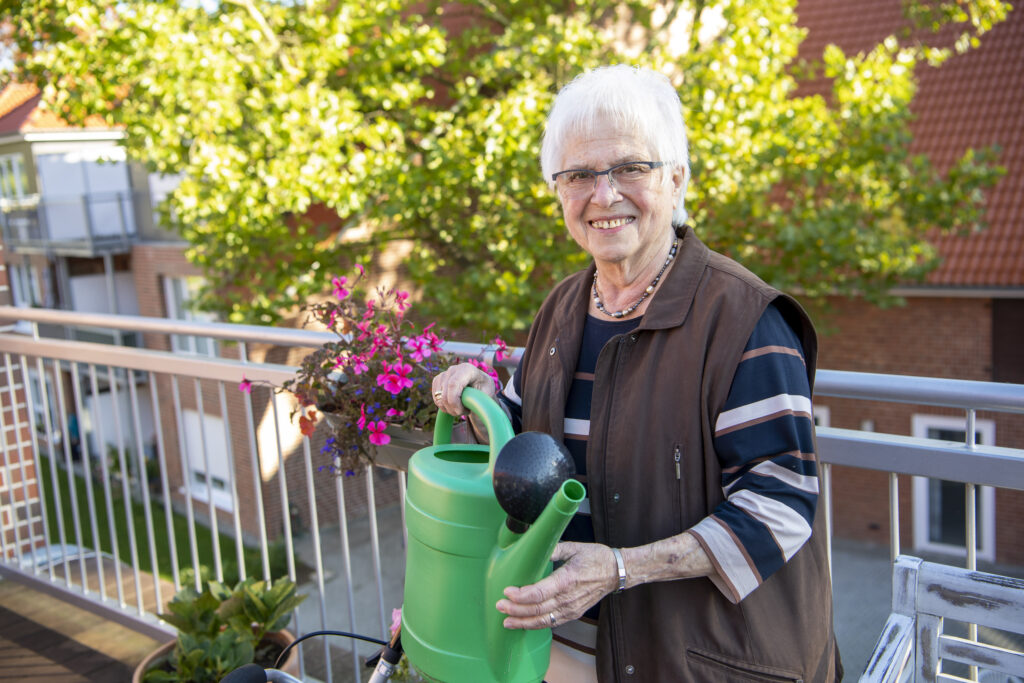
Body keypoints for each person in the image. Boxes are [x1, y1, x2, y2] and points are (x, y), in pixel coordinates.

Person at [431, 65, 841, 682]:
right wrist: (482, 401)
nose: (604, 194)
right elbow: (521, 442)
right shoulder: (562, 308)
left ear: (675, 180)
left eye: (630, 168)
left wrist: (621, 567)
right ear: (558, 191)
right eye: (578, 175)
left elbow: (780, 506)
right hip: (566, 649)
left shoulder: (744, 319)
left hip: (704, 663)